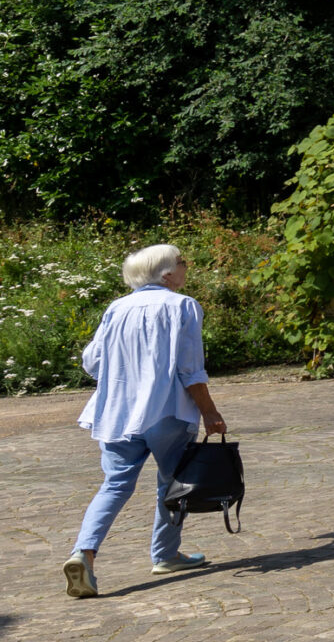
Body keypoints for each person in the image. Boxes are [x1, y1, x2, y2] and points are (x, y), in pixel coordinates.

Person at [63, 244, 227, 597]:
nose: (187, 268)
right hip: (167, 411)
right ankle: (165, 554)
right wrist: (209, 410)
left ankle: (84, 553)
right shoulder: (183, 305)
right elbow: (189, 368)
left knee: (115, 485)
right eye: (183, 263)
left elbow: (92, 362)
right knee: (172, 484)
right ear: (166, 274)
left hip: (117, 412)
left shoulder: (116, 308)